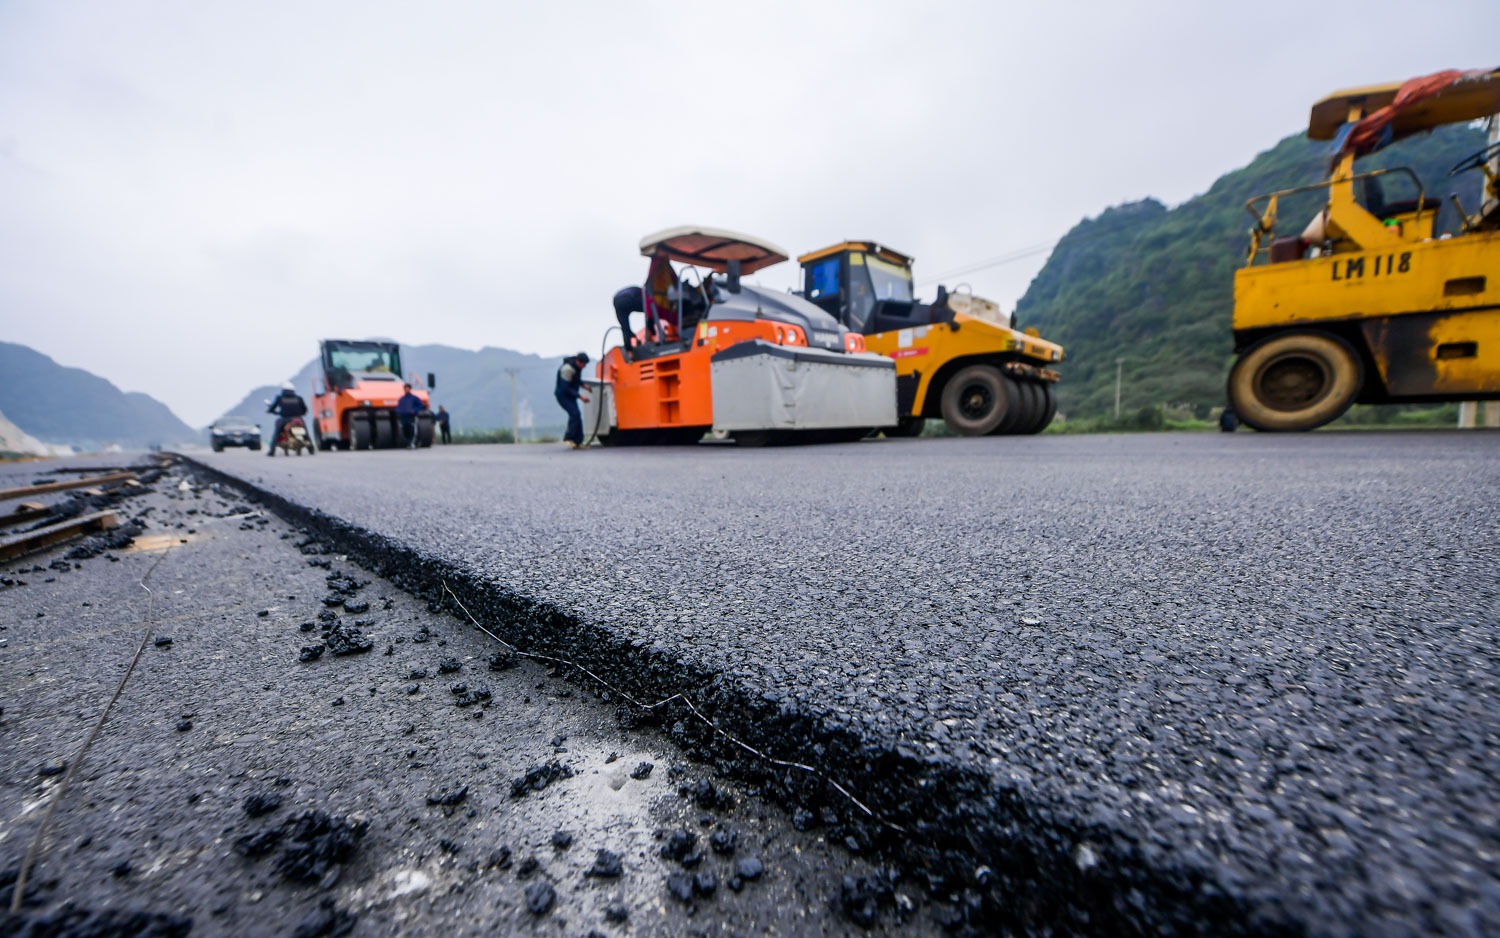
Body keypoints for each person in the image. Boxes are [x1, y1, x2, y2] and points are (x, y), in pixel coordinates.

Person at [554, 352, 591, 449]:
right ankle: (569, 438)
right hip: (563, 395)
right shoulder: (567, 369)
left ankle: (578, 442)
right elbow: (565, 387)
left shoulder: (577, 367)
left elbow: (576, 380)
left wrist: (584, 386)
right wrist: (580, 396)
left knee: (577, 415)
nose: (584, 366)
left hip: (570, 395)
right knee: (574, 414)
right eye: (583, 364)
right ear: (578, 361)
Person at [266, 381, 309, 457]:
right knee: (306, 433)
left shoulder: (280, 398)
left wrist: (270, 410)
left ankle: (272, 451)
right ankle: (311, 449)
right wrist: (301, 414)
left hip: (285, 418)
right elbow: (305, 409)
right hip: (298, 418)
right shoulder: (299, 398)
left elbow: (272, 408)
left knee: (277, 433)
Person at [613, 285, 645, 353]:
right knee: (649, 310)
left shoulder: (636, 290)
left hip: (617, 301)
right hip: (629, 297)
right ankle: (651, 333)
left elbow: (625, 329)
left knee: (625, 328)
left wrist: (630, 334)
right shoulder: (640, 291)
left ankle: (629, 352)